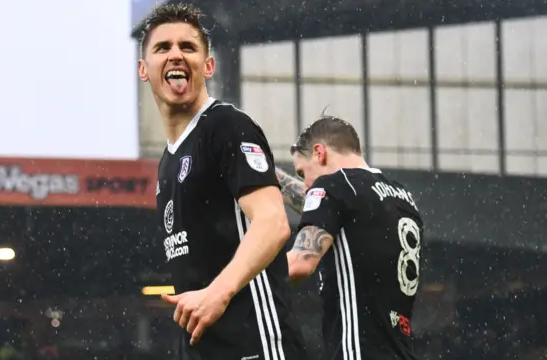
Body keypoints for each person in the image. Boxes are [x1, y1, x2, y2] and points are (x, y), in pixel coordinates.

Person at [137, 3, 308, 360]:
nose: (175, 55)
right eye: (162, 48)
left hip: (258, 344)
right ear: (143, 69)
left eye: (188, 47)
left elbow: (274, 223)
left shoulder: (226, 126)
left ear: (209, 66)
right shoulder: (168, 161)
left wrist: (219, 293)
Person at [275, 116, 423, 360]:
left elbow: (300, 263)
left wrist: (230, 283)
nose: (306, 184)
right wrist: (266, 175)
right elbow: (327, 206)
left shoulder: (332, 187)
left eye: (303, 173)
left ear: (319, 153)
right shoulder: (400, 196)